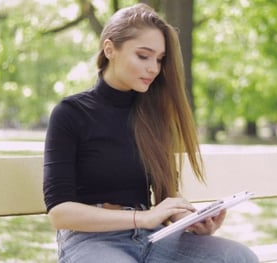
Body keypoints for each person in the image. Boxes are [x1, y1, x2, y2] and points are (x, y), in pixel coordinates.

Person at [43, 3, 259, 263]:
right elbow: (60, 213)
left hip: (154, 237)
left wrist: (189, 218)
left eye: (159, 59)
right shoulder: (70, 113)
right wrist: (142, 217)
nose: (154, 68)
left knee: (238, 257)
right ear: (110, 49)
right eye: (143, 56)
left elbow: (166, 194)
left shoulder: (152, 115)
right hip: (92, 241)